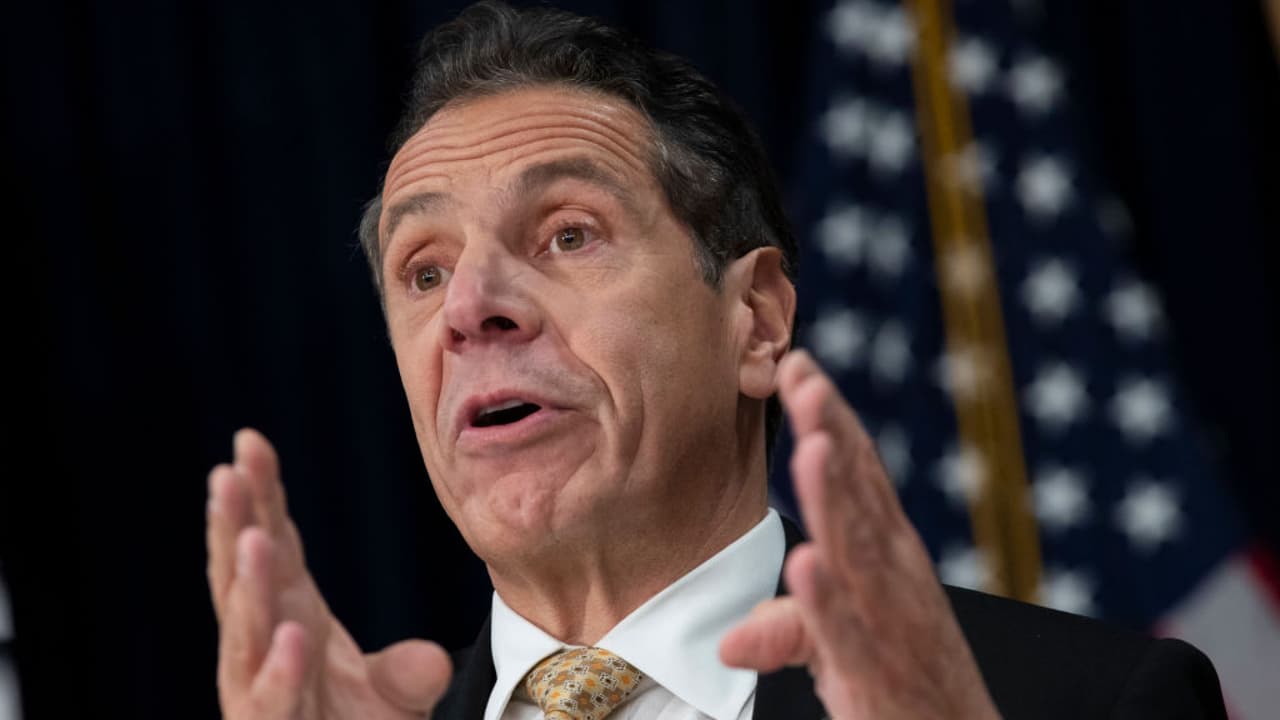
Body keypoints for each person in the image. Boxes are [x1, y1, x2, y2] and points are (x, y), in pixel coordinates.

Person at [204, 3, 1227, 718]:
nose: (470, 309)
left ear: (756, 319)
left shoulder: (1073, 702)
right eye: (423, 271)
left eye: (567, 235)